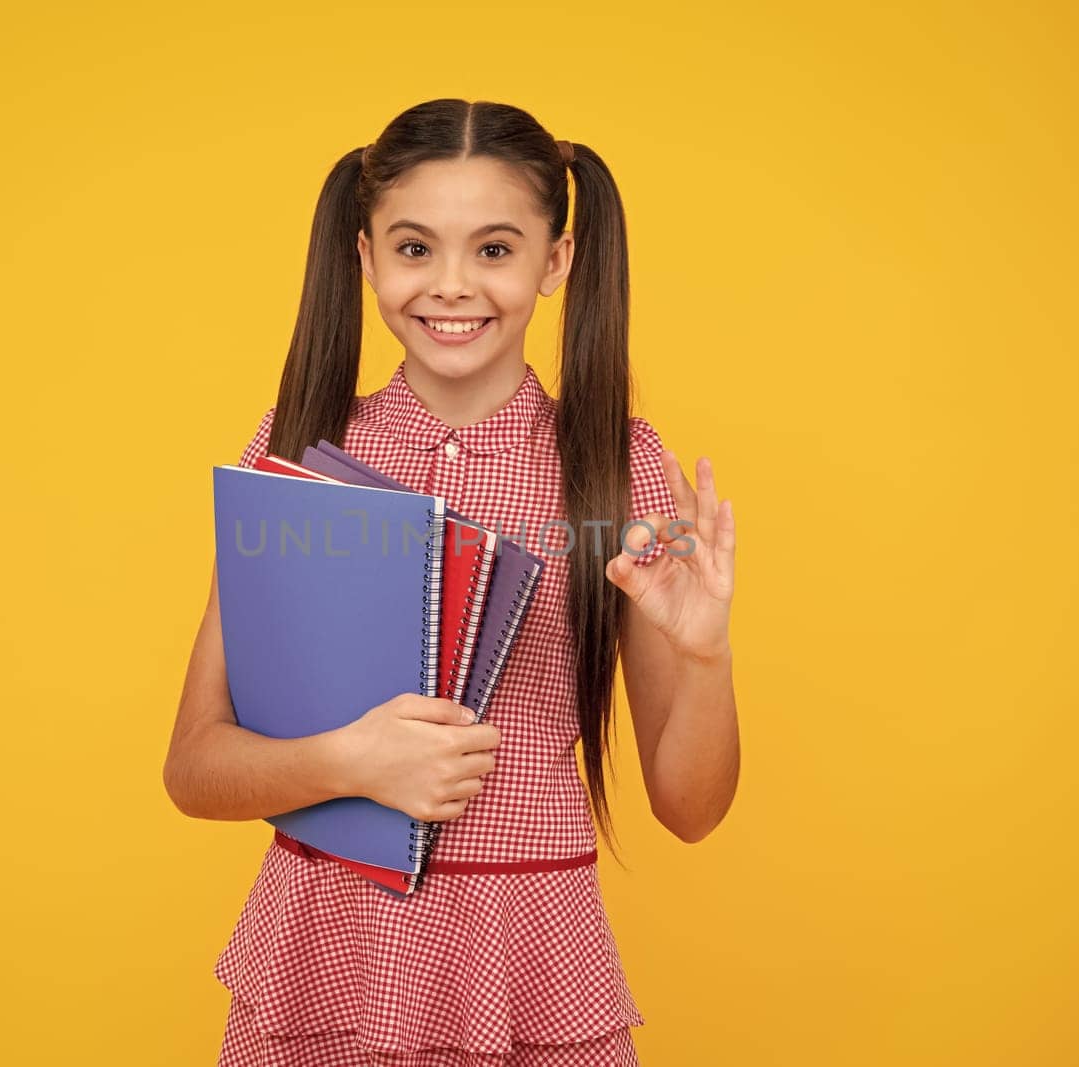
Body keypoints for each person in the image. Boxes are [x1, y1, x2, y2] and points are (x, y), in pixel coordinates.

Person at [163, 98, 741, 1066]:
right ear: (365, 255)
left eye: (496, 248)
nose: (452, 285)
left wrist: (705, 651)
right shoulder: (300, 453)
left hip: (528, 945)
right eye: (416, 247)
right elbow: (196, 767)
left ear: (554, 263)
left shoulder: (619, 469)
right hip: (325, 934)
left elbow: (691, 808)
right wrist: (353, 762)